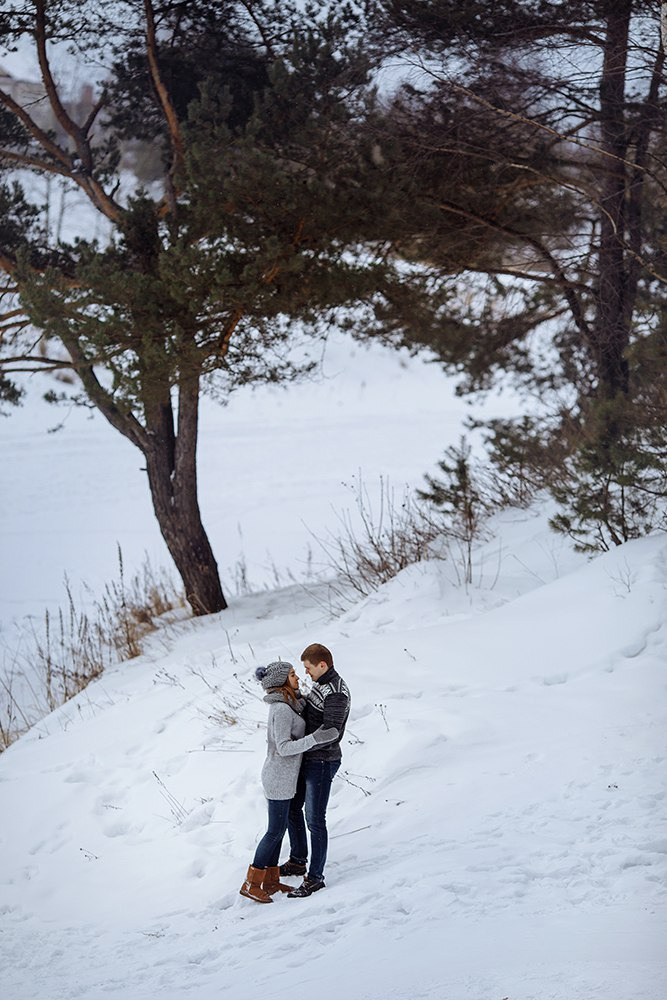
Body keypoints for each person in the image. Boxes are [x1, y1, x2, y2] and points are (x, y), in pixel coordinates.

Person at [239, 660, 337, 904]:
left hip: (285, 778)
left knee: (279, 830)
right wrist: (314, 738)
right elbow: (283, 747)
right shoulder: (281, 710)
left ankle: (270, 881)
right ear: (282, 682)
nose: (297, 678)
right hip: (278, 777)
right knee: (274, 832)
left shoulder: (288, 703)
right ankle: (251, 883)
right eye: (293, 675)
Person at [280, 642, 351, 898]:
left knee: (315, 819)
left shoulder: (336, 692)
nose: (306, 673)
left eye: (308, 668)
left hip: (323, 761)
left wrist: (305, 743)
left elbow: (331, 730)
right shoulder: (321, 685)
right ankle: (298, 859)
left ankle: (315, 877)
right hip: (308, 758)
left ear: (322, 665)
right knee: (291, 807)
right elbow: (309, 711)